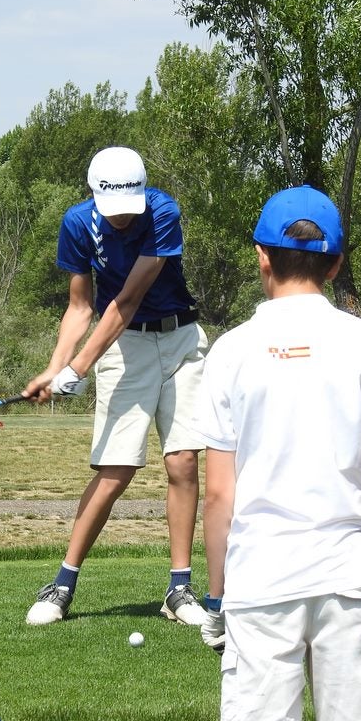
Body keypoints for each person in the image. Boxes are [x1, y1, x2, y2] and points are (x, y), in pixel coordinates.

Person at [195, 185, 361, 721]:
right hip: (348, 577)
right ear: (336, 264)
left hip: (259, 578)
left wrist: (218, 595)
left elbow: (219, 495)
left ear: (261, 256)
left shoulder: (229, 352)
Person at [23, 146, 209, 627]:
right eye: (113, 208)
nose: (122, 217)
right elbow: (80, 307)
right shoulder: (77, 223)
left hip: (180, 340)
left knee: (183, 461)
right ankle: (62, 585)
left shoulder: (163, 212)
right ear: (94, 194)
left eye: (129, 206)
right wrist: (55, 368)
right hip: (126, 348)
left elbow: (128, 300)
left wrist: (78, 367)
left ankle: (179, 589)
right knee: (116, 470)